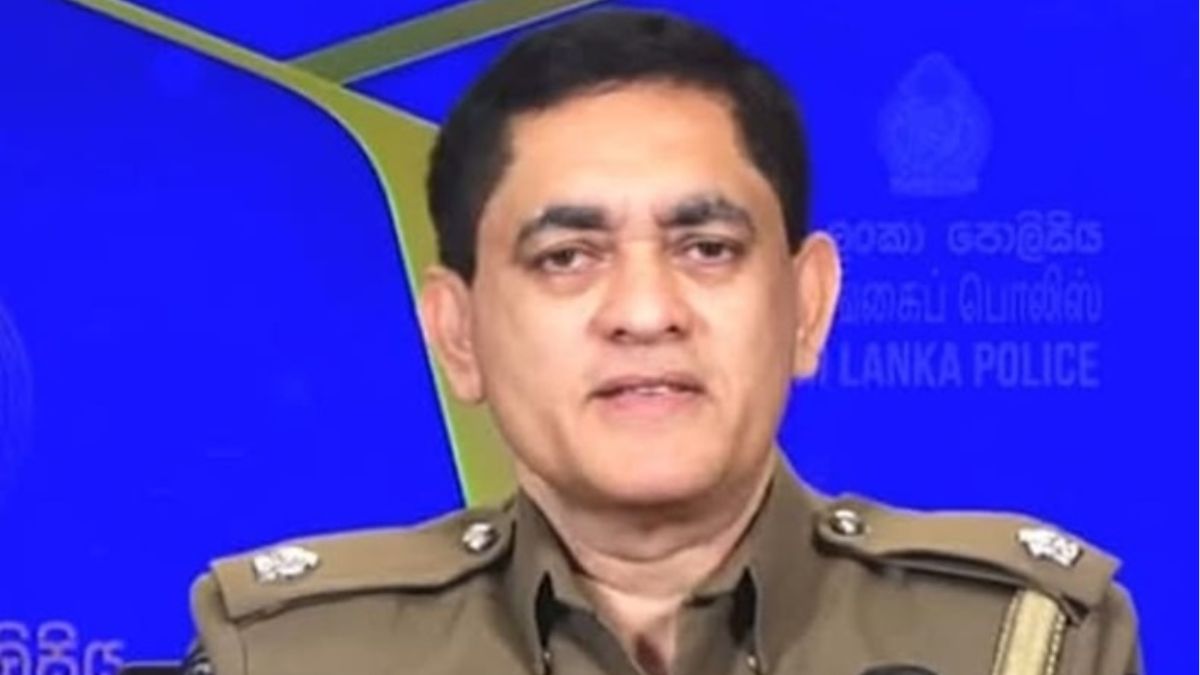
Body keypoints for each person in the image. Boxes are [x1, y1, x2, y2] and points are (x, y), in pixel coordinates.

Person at [182, 9, 1140, 675]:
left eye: (707, 247)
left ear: (807, 306)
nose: (645, 311)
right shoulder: (293, 652)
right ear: (457, 332)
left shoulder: (1024, 641)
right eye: (567, 257)